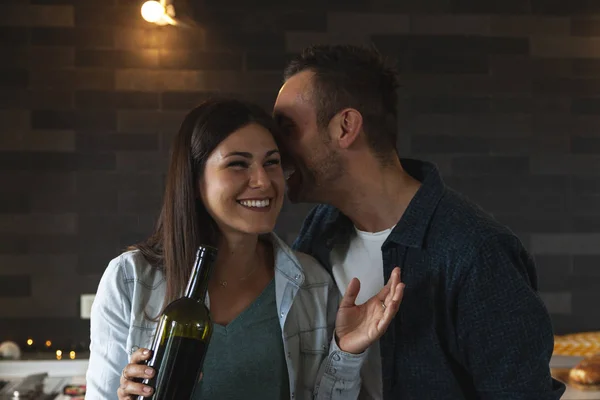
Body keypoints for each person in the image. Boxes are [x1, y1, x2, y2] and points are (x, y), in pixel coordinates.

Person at [273, 44, 566, 399]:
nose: (276, 148)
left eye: (287, 129)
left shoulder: (478, 253)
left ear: (345, 127)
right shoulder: (321, 230)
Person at [85, 98, 405, 400]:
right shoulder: (130, 280)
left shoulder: (313, 283)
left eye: (272, 163)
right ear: (195, 181)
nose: (263, 182)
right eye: (238, 164)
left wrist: (346, 352)